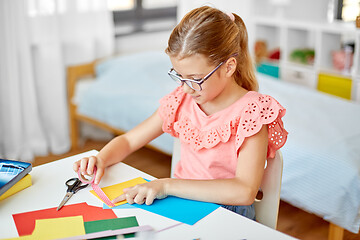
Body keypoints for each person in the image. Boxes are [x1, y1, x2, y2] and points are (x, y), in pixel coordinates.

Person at [73, 6, 288, 220]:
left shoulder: (253, 111)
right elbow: (129, 141)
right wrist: (101, 158)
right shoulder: (182, 100)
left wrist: (167, 185)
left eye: (195, 79)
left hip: (227, 214)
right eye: (180, 76)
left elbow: (244, 191)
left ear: (229, 67)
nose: (185, 88)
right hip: (180, 202)